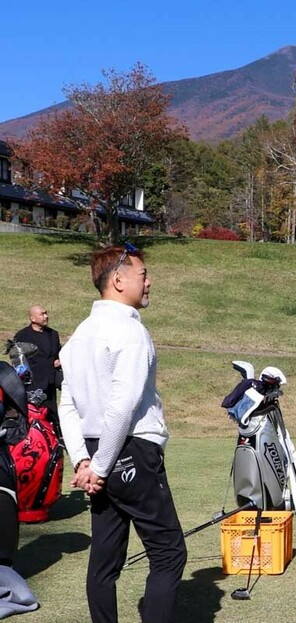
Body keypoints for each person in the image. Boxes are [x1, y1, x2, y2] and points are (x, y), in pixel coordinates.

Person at [59, 245, 186, 623]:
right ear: (118, 279)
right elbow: (123, 405)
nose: (149, 281)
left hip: (100, 452)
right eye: (142, 274)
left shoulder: (78, 336)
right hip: (130, 451)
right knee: (168, 553)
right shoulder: (130, 331)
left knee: (105, 559)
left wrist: (83, 460)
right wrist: (95, 467)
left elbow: (67, 406)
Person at [13, 306, 62, 432]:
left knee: (51, 413)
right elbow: (19, 362)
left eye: (46, 313)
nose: (46, 316)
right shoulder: (22, 336)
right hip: (33, 384)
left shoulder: (53, 334)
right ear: (32, 318)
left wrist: (59, 361)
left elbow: (58, 354)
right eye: (42, 314)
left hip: (50, 382)